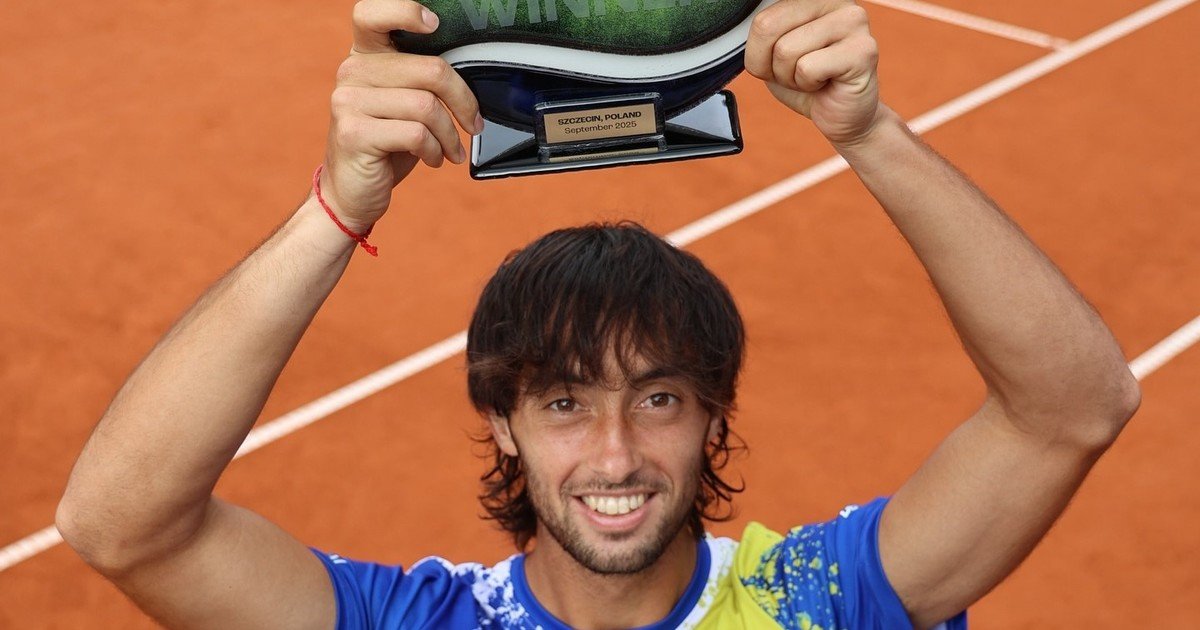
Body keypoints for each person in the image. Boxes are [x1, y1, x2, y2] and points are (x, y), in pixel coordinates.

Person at [55, 0, 1141, 628]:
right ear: (502, 424)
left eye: (658, 398)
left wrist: (868, 134)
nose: (615, 455)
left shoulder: (820, 602)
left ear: (713, 416)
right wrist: (338, 207)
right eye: (565, 403)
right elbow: (119, 524)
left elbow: (1073, 409)